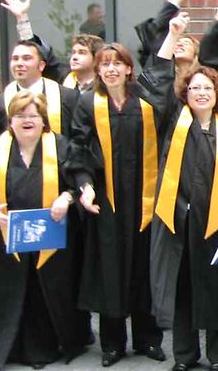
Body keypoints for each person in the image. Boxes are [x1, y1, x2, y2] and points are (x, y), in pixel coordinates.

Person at [140, 13, 218, 371]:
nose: (201, 92)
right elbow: (154, 82)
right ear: (185, 94)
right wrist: (172, 35)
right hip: (177, 220)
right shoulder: (174, 122)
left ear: (216, 93)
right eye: (194, 88)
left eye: (207, 87)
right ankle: (185, 355)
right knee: (182, 290)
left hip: (217, 223)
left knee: (217, 290)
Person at [0, 90, 88, 370]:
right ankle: (6, 350)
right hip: (7, 238)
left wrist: (67, 197)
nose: (27, 121)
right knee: (9, 294)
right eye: (20, 115)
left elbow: (79, 178)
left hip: (50, 240)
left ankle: (45, 349)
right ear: (10, 121)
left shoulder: (60, 146)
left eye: (33, 116)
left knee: (43, 291)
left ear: (43, 120)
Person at [70, 43, 165, 366]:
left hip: (143, 198)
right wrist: (85, 187)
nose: (111, 69)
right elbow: (78, 149)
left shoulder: (146, 103)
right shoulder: (88, 104)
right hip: (106, 202)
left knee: (143, 268)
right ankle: (112, 344)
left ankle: (148, 338)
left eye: (117, 63)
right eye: (105, 64)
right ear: (98, 71)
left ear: (128, 69)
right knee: (109, 270)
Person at [0, 38, 79, 145]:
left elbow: (79, 140)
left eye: (26, 58)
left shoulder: (68, 98)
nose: (19, 63)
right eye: (15, 59)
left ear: (41, 65)